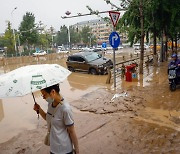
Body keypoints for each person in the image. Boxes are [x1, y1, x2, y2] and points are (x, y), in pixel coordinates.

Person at [34, 84, 79, 154]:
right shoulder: (50, 103)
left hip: (64, 149)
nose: (43, 97)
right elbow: (49, 118)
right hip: (53, 148)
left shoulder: (65, 109)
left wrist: (77, 151)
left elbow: (72, 131)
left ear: (53, 92)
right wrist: (39, 109)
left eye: (44, 94)